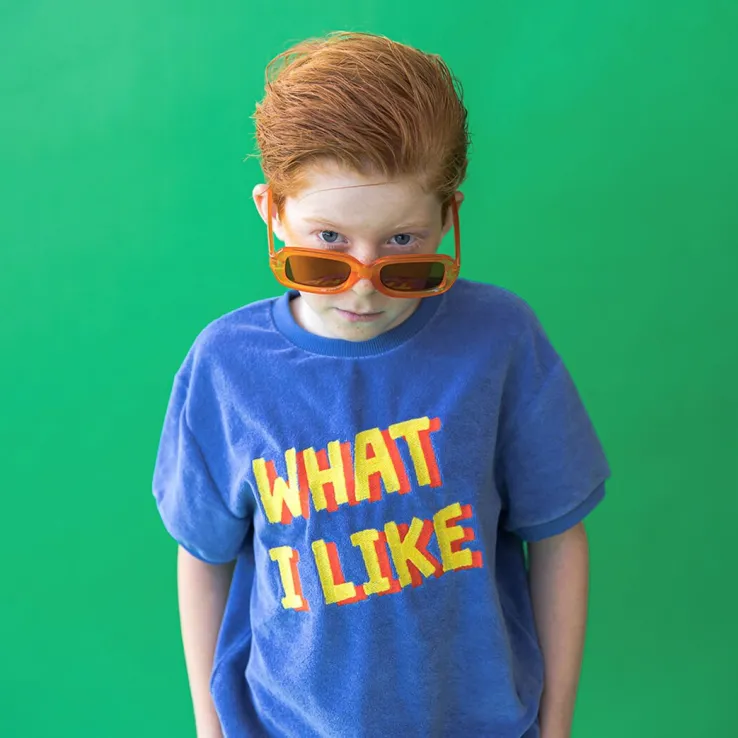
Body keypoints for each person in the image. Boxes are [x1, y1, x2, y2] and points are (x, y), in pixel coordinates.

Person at [152, 31, 611, 738]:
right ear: (272, 213)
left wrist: (556, 728)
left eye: (401, 244)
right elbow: (203, 556)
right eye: (328, 245)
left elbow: (556, 538)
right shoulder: (225, 366)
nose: (364, 287)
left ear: (448, 216)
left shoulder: (500, 342)